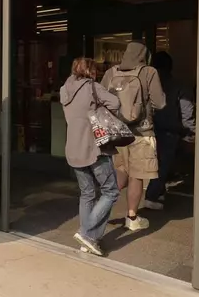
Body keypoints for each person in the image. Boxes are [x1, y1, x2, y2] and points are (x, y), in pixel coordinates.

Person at [101, 41, 166, 231]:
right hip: (141, 132)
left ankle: (100, 211)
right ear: (144, 56)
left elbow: (101, 99)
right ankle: (132, 217)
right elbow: (160, 103)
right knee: (137, 176)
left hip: (118, 132)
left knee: (120, 173)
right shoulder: (149, 72)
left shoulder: (111, 73)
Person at [61, 58, 121, 256]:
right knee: (111, 191)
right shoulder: (92, 87)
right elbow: (115, 102)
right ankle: (87, 234)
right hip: (94, 148)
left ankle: (86, 239)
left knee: (87, 193)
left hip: (73, 148)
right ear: (91, 71)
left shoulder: (65, 89)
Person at [145, 51, 196, 209]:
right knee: (162, 165)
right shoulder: (179, 86)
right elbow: (187, 112)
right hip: (170, 130)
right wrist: (191, 132)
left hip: (148, 129)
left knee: (154, 163)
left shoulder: (146, 85)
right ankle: (152, 196)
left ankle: (157, 192)